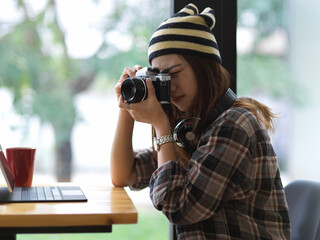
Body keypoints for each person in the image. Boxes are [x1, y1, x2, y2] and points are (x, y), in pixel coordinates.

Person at [111, 3, 290, 239]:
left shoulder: (235, 124)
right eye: (161, 78)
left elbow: (179, 207)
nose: (170, 85)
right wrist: (127, 107)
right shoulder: (191, 126)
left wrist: (161, 126)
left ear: (203, 67)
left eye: (174, 73)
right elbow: (125, 174)